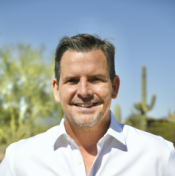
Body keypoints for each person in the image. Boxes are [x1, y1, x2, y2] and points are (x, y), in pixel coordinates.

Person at [0, 34, 174, 176]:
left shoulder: (159, 156)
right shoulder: (19, 160)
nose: (83, 92)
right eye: (72, 80)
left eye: (95, 79)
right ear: (56, 89)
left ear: (114, 87)